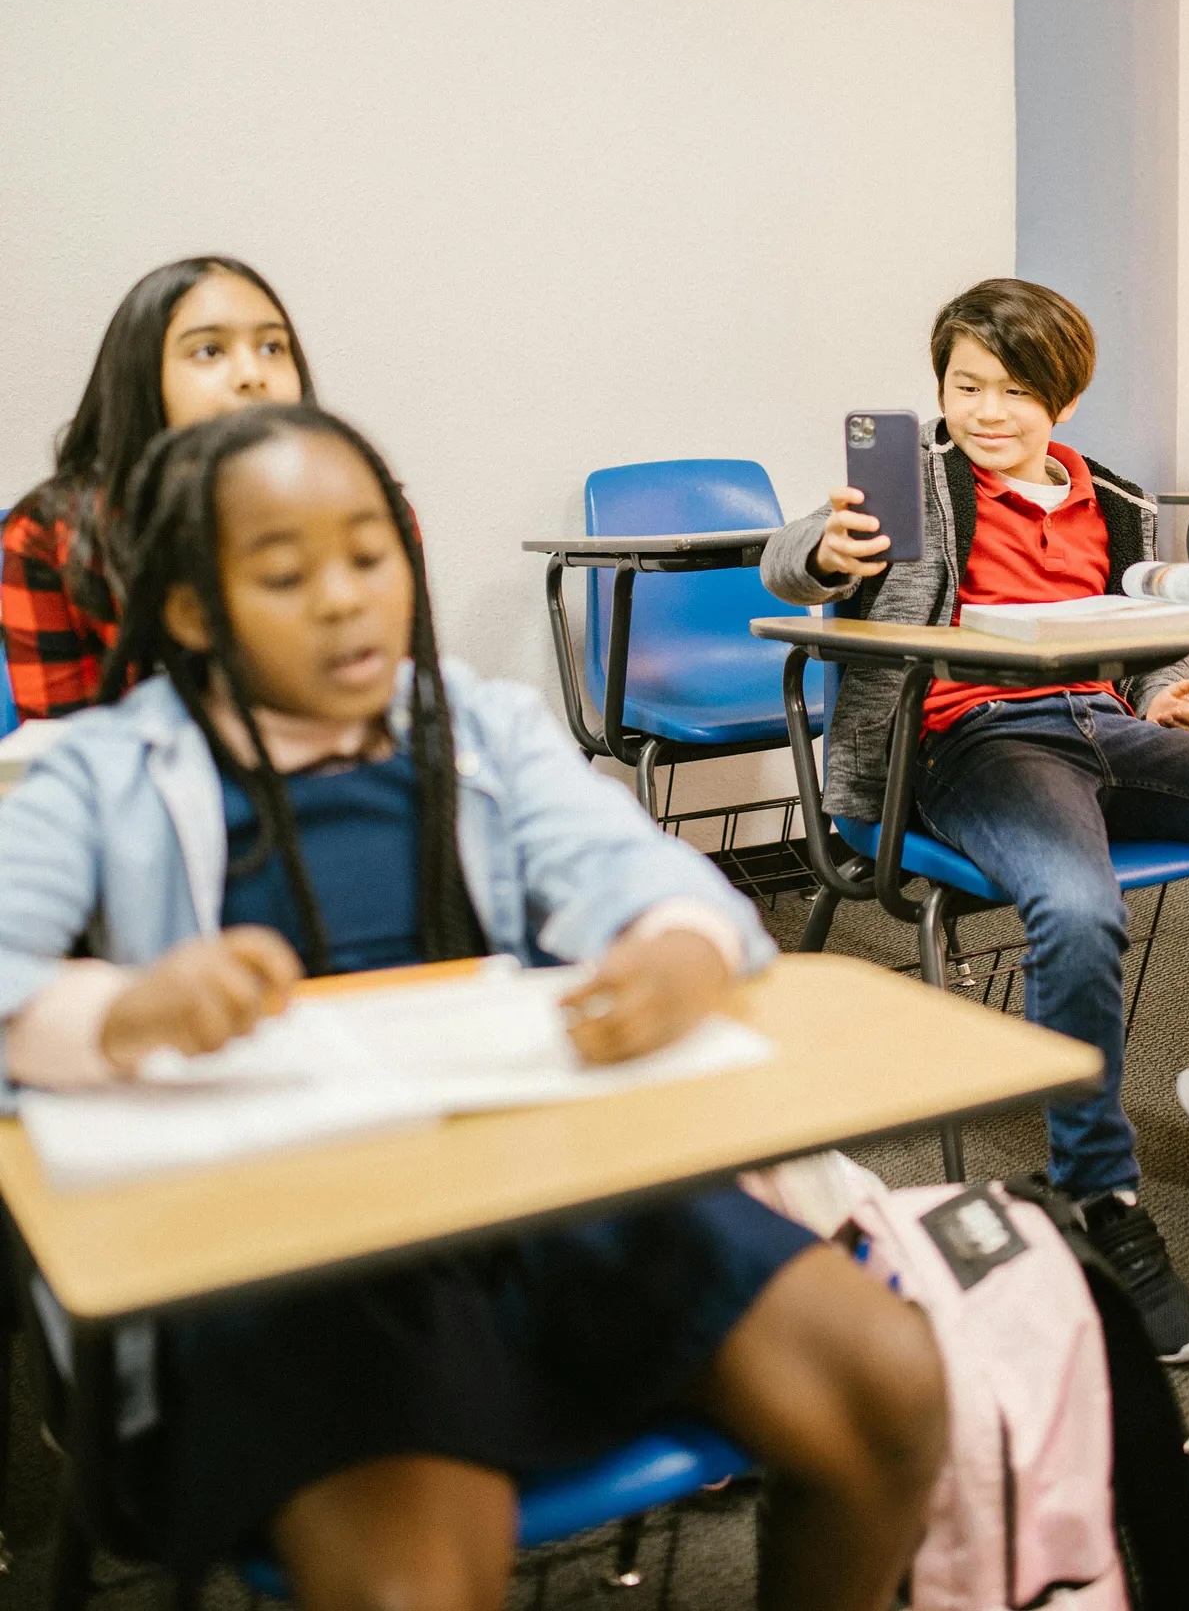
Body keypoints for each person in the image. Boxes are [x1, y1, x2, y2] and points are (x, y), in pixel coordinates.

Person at [0, 405, 945, 1611]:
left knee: (889, 1381)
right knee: (415, 1581)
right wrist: (126, 1011)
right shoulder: (102, 768)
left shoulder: (477, 725)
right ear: (190, 611)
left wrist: (673, 951)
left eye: (369, 554)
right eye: (286, 575)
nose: (345, 598)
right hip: (295, 1246)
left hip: (541, 1186)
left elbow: (642, 874)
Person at [762, 277, 1189, 1366]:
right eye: (965, 386)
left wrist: (1169, 688)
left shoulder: (1113, 502)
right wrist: (827, 553)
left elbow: (1149, 632)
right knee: (1076, 905)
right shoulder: (910, 487)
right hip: (971, 739)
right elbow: (790, 564)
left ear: (1061, 399)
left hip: (1102, 726)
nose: (986, 411)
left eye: (1014, 391)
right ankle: (1095, 1197)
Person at [1, 255, 312, 718]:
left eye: (272, 347)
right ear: (144, 378)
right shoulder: (51, 535)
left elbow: (390, 715)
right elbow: (66, 750)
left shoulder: (367, 514)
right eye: (209, 351)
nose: (252, 374)